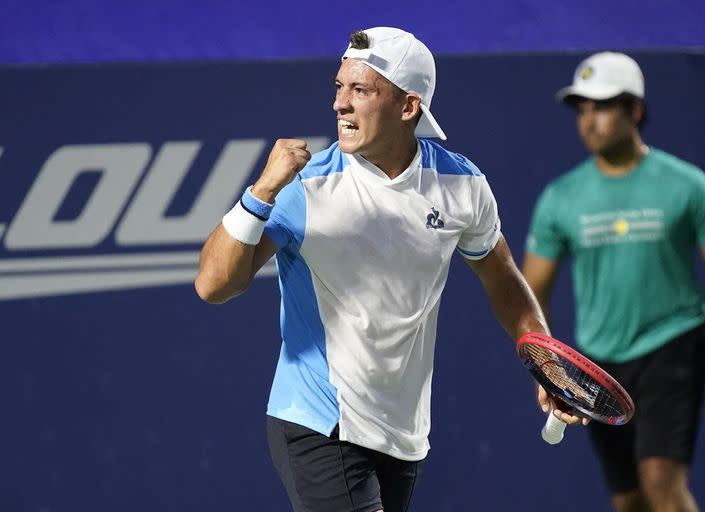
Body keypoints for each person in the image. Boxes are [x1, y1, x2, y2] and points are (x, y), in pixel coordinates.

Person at [194, 27, 582, 512]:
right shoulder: (306, 187)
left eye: (360, 90)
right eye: (339, 87)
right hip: (319, 419)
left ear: (408, 107)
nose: (340, 104)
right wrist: (261, 191)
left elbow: (501, 276)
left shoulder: (462, 185)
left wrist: (544, 362)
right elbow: (213, 285)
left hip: (402, 430)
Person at [522, 51, 705, 512]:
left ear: (634, 110)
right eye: (582, 109)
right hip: (598, 362)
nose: (589, 121)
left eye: (602, 107)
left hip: (673, 346)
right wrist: (551, 371)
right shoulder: (560, 198)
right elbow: (533, 292)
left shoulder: (687, 185)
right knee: (629, 499)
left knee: (661, 482)